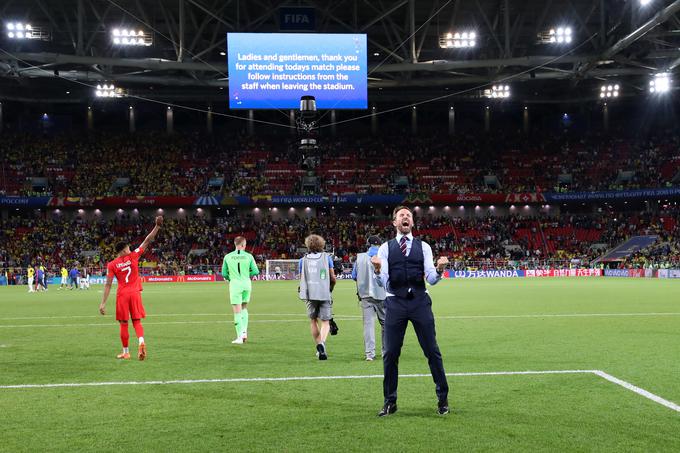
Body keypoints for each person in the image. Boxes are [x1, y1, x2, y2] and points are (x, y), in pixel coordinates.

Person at [371, 206, 450, 417]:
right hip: (395, 302)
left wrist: (440, 270)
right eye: (401, 216)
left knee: (432, 351)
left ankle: (443, 398)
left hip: (419, 302)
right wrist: (377, 271)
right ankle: (390, 401)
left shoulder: (423, 247)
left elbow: (431, 279)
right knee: (390, 354)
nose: (405, 217)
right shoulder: (385, 249)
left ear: (412, 223)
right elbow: (383, 282)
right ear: (394, 223)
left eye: (409, 215)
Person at [99, 216, 163, 360]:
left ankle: (126, 352)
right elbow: (147, 240)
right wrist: (157, 227)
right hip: (135, 293)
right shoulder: (134, 256)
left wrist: (103, 303)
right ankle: (141, 342)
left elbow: (108, 284)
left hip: (122, 295)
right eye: (127, 248)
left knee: (123, 324)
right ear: (122, 251)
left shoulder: (112, 264)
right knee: (137, 321)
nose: (129, 249)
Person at [298, 234, 336, 360]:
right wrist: (330, 289)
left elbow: (301, 278)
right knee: (325, 322)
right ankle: (322, 345)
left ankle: (319, 344)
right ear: (322, 244)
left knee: (313, 320)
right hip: (324, 293)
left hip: (310, 294)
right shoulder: (327, 258)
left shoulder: (302, 260)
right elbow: (333, 278)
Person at [352, 235, 386, 361]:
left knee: (368, 325)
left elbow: (354, 276)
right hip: (383, 295)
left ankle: (369, 354)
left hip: (365, 295)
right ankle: (385, 352)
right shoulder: (385, 256)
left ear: (368, 244)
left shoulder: (359, 257)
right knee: (385, 324)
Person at [221, 236, 260, 344]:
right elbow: (256, 271)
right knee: (244, 307)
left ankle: (240, 337)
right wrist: (247, 275)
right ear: (243, 245)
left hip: (235, 285)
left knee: (237, 311)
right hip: (246, 284)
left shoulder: (228, 257)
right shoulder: (249, 256)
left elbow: (224, 273)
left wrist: (231, 278)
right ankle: (244, 332)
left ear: (235, 244)